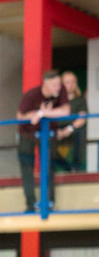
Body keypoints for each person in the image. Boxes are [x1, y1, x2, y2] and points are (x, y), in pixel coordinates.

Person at [16, 69, 71, 212]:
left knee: (48, 165)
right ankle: (30, 204)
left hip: (47, 132)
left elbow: (65, 111)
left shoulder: (60, 91)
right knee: (27, 167)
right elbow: (20, 116)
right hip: (27, 134)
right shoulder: (31, 95)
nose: (58, 88)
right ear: (45, 84)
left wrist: (42, 113)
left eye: (59, 84)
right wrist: (36, 114)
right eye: (54, 85)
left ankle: (49, 202)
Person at [55, 71, 87, 172]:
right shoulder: (55, 100)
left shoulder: (80, 100)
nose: (71, 84)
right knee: (44, 139)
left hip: (73, 130)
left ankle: (76, 167)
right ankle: (68, 168)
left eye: (73, 82)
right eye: (67, 82)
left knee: (81, 132)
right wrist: (57, 131)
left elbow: (82, 119)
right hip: (57, 130)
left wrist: (69, 129)